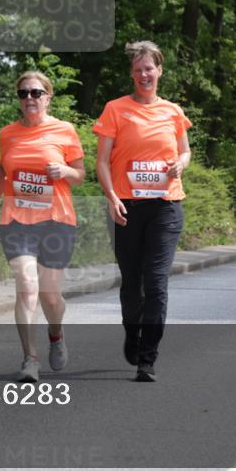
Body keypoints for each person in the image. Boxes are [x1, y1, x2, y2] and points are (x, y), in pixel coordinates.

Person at [94, 41, 191, 382]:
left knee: (156, 282)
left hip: (166, 206)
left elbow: (185, 152)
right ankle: (131, 331)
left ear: (159, 70)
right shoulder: (115, 110)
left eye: (149, 68)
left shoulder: (173, 112)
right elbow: (102, 162)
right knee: (132, 284)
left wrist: (180, 164)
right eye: (137, 70)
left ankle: (147, 358)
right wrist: (110, 196)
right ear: (131, 74)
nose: (144, 75)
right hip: (126, 208)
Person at [0, 71, 85, 383]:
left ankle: (56, 334)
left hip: (56, 220)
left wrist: (64, 170)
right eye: (24, 93)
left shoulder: (65, 130)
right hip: (16, 220)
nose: (30, 98)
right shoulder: (8, 133)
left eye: (36, 93)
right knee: (27, 287)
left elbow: (80, 175)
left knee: (50, 296)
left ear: (48, 96)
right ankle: (30, 358)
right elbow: (4, 168)